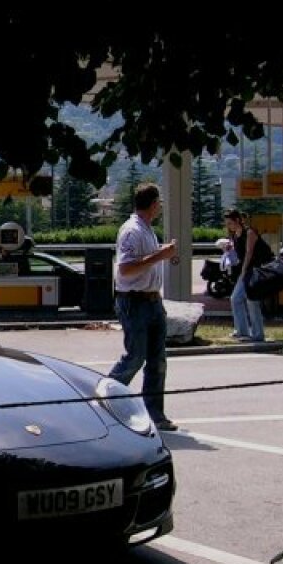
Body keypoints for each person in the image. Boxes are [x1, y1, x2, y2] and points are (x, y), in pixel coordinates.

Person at [108, 183, 180, 432]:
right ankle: (105, 401)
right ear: (153, 204)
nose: (160, 207)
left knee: (157, 360)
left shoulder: (147, 230)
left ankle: (154, 414)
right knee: (135, 357)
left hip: (152, 301)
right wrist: (161, 256)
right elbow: (126, 268)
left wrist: (161, 251)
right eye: (158, 203)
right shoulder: (131, 231)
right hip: (134, 302)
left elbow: (141, 261)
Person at [224, 208, 274, 342]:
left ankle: (258, 335)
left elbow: (249, 252)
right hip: (246, 271)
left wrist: (244, 270)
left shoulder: (250, 232)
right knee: (236, 299)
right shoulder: (235, 235)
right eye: (227, 224)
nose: (228, 226)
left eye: (230, 223)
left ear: (238, 220)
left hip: (258, 270)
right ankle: (242, 331)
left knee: (252, 301)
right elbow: (239, 254)